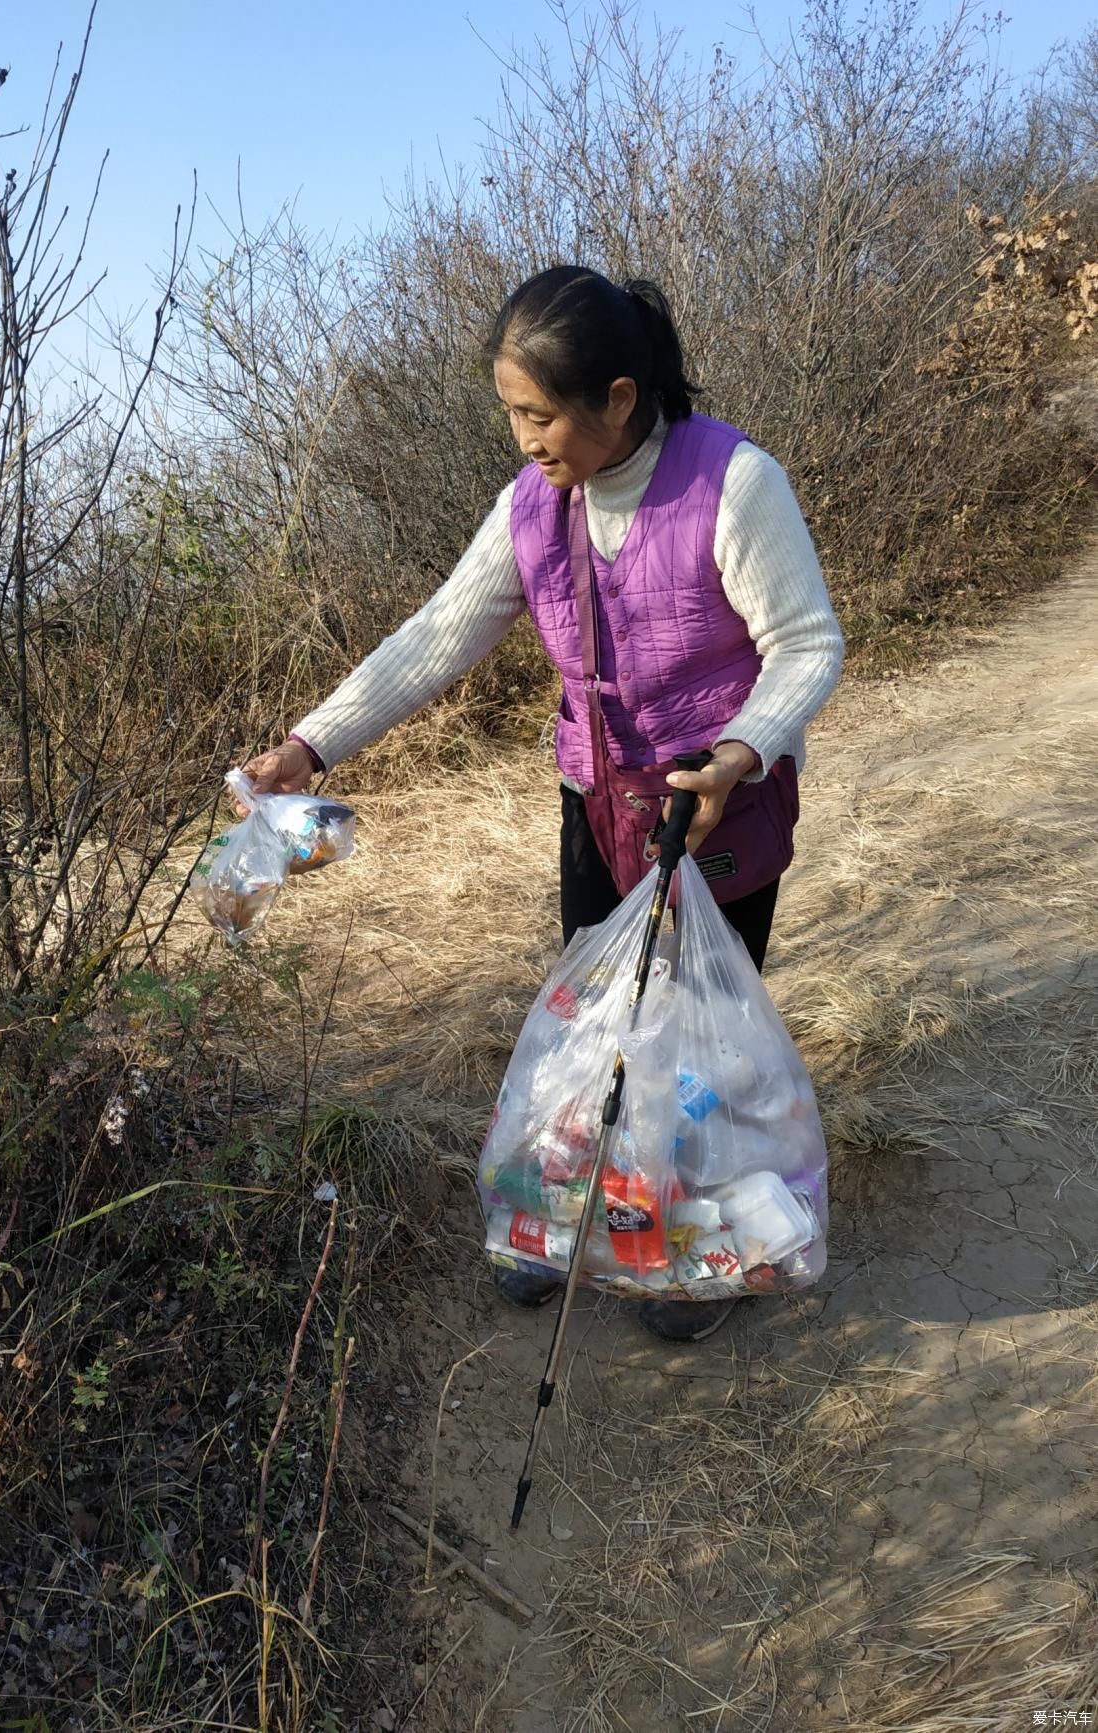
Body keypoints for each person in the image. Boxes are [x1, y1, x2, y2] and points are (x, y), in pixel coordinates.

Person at [246, 265, 844, 1343]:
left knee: (696, 1036)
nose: (523, 436)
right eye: (510, 413)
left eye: (537, 412)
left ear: (616, 397)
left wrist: (738, 754)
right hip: (594, 804)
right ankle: (573, 1211)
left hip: (716, 811)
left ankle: (696, 1245)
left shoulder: (733, 481)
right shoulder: (532, 505)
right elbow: (438, 633)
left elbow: (805, 643)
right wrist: (310, 742)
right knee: (594, 1019)